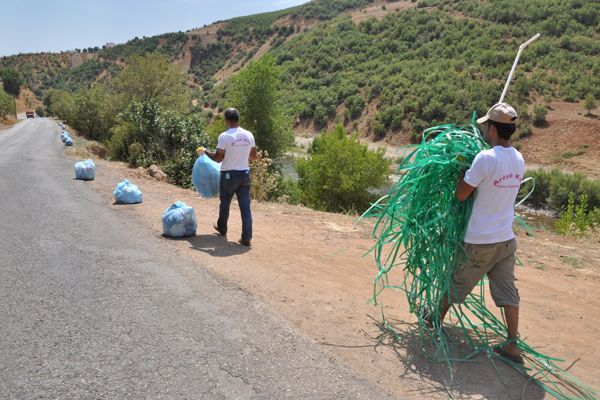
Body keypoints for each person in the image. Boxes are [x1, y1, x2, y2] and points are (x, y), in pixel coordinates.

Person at [437, 102, 526, 364]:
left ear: (491, 129)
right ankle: (512, 344)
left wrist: (459, 170)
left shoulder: (485, 158)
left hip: (480, 241)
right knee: (508, 292)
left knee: (456, 282)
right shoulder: (518, 158)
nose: (484, 130)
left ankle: (433, 318)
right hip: (506, 240)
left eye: (486, 125)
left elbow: (462, 194)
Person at [198, 108, 257, 246]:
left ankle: (222, 228)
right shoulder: (249, 135)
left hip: (229, 176)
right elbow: (254, 156)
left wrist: (205, 151)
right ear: (238, 119)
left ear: (227, 121)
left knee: (225, 203)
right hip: (245, 175)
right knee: (245, 207)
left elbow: (218, 158)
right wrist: (241, 154)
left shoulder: (224, 136)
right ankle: (246, 238)